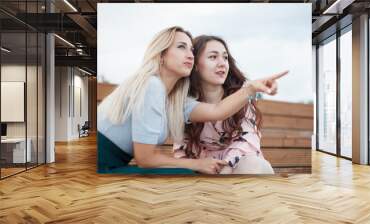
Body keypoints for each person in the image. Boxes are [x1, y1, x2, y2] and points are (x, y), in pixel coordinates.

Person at [98, 26, 287, 174]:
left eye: (191, 49)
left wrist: (251, 88)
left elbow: (217, 111)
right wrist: (199, 164)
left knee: (243, 168)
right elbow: (145, 159)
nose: (189, 54)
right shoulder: (152, 85)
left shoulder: (174, 100)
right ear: (161, 55)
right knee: (182, 176)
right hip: (100, 162)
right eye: (181, 47)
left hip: (117, 162)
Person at [174, 35, 280, 174]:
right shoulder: (185, 103)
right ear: (195, 66)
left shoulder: (239, 97)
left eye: (225, 57)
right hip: (204, 169)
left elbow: (248, 139)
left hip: (240, 162)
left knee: (253, 165)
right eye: (213, 57)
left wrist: (226, 165)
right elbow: (182, 150)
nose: (222, 63)